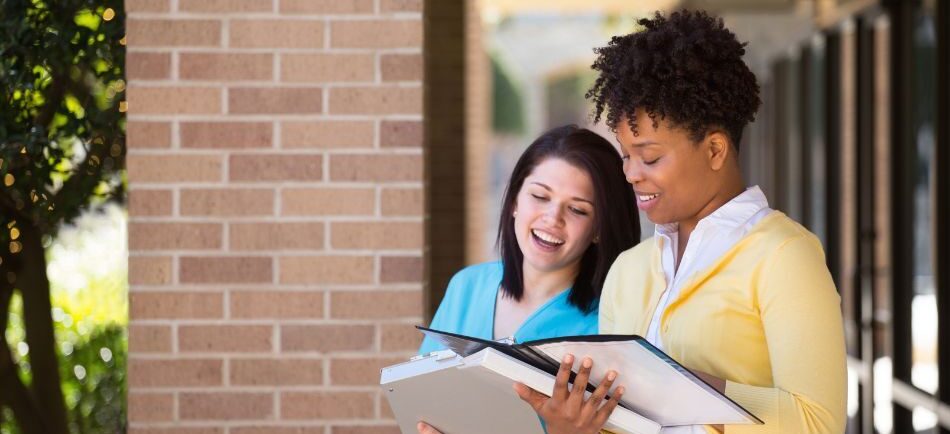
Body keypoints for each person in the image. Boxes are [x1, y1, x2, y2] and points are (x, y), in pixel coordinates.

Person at [513, 10, 847, 434]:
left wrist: (676, 386)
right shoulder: (629, 270)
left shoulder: (783, 255)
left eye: (650, 157)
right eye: (626, 155)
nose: (631, 173)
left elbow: (818, 423)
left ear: (714, 151)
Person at [418, 125, 641, 356]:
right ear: (515, 201)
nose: (553, 218)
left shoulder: (607, 326)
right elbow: (417, 388)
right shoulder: (466, 287)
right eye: (540, 196)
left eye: (577, 209)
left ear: (599, 229)